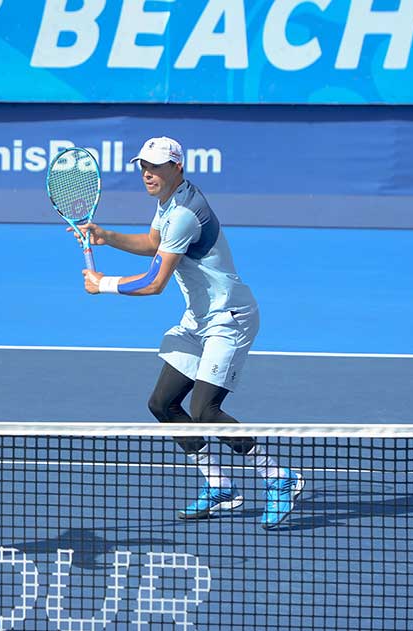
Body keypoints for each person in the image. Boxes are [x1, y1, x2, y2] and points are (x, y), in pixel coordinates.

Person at [75, 136, 304, 530]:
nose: (147, 173)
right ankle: (220, 486)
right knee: (163, 404)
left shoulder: (184, 213)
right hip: (198, 319)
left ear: (177, 168)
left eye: (156, 166)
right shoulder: (168, 202)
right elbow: (154, 243)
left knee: (204, 410)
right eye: (143, 165)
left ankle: (278, 477)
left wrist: (104, 283)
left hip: (228, 317)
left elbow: (155, 282)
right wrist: (107, 236)